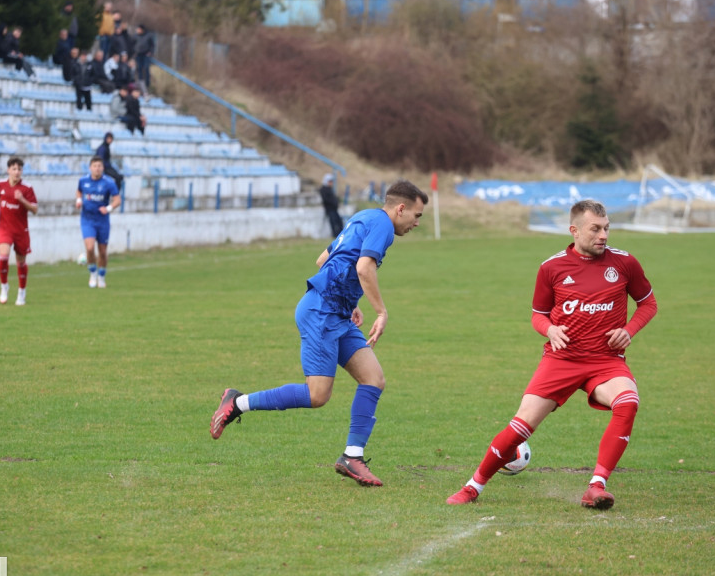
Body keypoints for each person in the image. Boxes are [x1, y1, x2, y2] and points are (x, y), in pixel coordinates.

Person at [209, 180, 430, 487]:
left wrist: (349, 302)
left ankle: (352, 457)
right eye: (417, 216)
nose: (417, 223)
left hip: (335, 311)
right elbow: (364, 268)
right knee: (317, 395)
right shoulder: (382, 224)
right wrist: (381, 311)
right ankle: (238, 402)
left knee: (374, 379)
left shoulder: (363, 217)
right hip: (321, 312)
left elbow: (323, 259)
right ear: (401, 209)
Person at [446, 199, 658, 509]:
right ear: (574, 230)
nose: (603, 236)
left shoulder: (625, 263)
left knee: (628, 402)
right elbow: (538, 315)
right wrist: (550, 330)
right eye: (595, 229)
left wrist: (628, 330)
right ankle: (473, 486)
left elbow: (648, 304)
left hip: (605, 361)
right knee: (520, 426)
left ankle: (596, 485)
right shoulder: (552, 267)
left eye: (607, 229)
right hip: (562, 361)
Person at [0, 157, 38, 306]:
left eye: (19, 169)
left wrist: (22, 200)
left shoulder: (27, 188)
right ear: (8, 170)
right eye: (14, 169)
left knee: (21, 263)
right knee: (3, 257)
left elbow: (35, 209)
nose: (17, 172)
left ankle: (21, 292)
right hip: (4, 228)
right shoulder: (1, 184)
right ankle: (4, 287)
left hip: (21, 230)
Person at [76, 156, 122, 289]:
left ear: (103, 168)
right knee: (90, 248)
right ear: (90, 168)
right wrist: (79, 200)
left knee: (102, 251)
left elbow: (117, 200)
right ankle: (93, 273)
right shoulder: (83, 181)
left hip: (102, 221)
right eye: (95, 166)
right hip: (87, 219)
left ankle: (102, 276)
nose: (97, 169)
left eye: (100, 166)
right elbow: (79, 192)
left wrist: (108, 208)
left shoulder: (109, 183)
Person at [132, 22, 155, 92]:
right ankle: (140, 84)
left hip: (146, 55)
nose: (137, 31)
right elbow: (132, 44)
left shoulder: (148, 36)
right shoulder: (135, 36)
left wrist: (150, 52)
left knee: (146, 68)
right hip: (138, 55)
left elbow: (152, 45)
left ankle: (147, 84)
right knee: (139, 69)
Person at [320, 173, 344, 237]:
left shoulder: (329, 189)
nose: (331, 183)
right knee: (333, 223)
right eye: (330, 181)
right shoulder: (323, 189)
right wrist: (334, 202)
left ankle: (340, 234)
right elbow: (327, 199)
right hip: (330, 209)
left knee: (339, 222)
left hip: (334, 209)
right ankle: (335, 235)